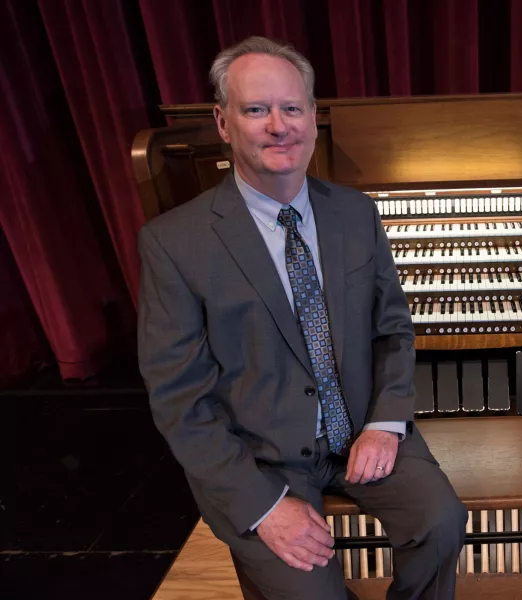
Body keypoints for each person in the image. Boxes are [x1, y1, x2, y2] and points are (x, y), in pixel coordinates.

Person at [137, 35, 467, 600]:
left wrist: (385, 423)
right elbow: (180, 400)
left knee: (440, 524)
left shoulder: (355, 212)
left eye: (291, 108)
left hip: (363, 429)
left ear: (314, 119)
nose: (277, 126)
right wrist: (262, 506)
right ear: (223, 122)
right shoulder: (174, 243)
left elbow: (392, 329)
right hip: (261, 457)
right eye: (256, 109)